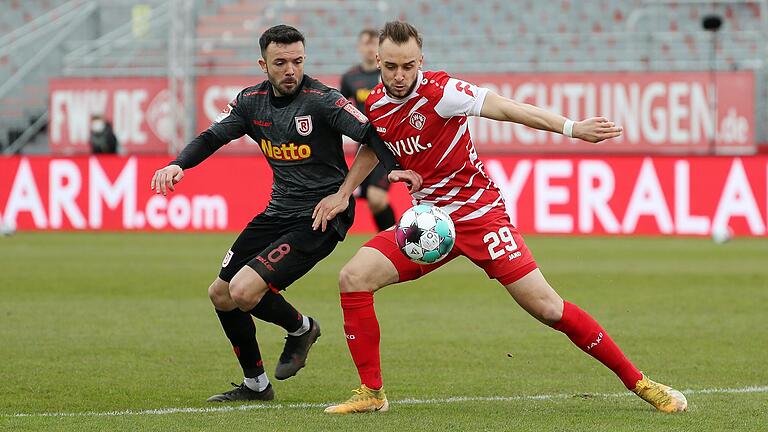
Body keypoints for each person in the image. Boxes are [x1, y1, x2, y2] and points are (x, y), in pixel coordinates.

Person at [314, 21, 688, 414]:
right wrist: (343, 193)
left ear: (420, 60)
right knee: (353, 277)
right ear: (378, 60)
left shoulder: (443, 92)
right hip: (430, 225)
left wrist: (572, 128)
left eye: (408, 65)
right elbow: (375, 147)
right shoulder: (374, 102)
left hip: (479, 215)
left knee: (548, 308)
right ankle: (372, 394)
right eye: (391, 66)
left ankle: (642, 383)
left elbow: (508, 109)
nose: (400, 75)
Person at [150, 24, 420, 403]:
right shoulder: (250, 102)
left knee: (244, 290)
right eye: (281, 62)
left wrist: (377, 178)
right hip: (278, 212)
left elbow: (372, 135)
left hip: (320, 217)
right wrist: (179, 164)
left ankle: (301, 328)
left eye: (297, 61)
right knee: (221, 294)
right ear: (263, 64)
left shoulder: (323, 100)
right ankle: (256, 386)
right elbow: (213, 136)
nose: (290, 69)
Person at [339, 29, 397, 231]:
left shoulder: (389, 75)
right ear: (359, 46)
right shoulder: (350, 78)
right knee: (372, 202)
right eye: (366, 43)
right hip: (364, 144)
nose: (370, 48)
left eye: (374, 44)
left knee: (376, 197)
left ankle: (396, 242)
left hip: (387, 144)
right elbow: (340, 108)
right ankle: (392, 241)